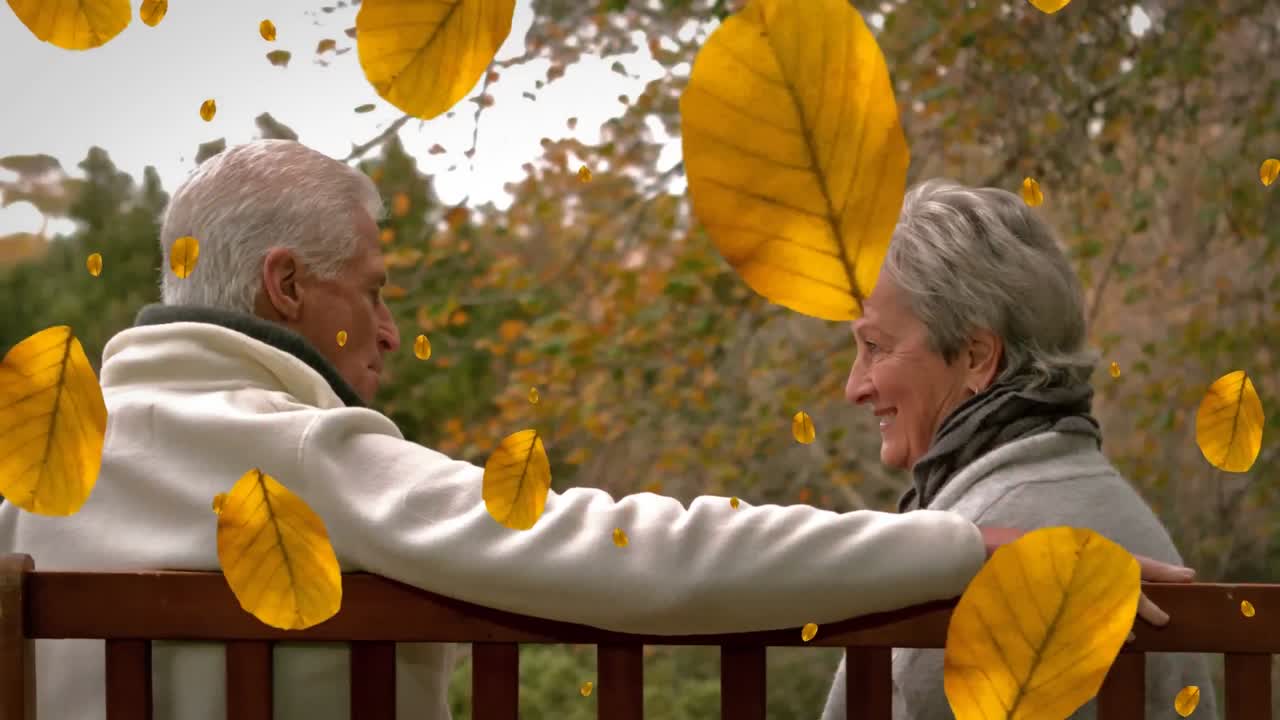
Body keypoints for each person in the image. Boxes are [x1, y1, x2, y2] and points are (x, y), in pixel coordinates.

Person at [0, 142, 1191, 720]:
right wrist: (951, 552)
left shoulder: (43, 480)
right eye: (373, 288)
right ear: (283, 287)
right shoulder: (302, 451)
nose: (390, 331)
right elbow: (620, 552)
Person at [819, 179, 1217, 720]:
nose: (854, 387)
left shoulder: (972, 564)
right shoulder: (1103, 503)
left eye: (874, 348)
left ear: (976, 356)